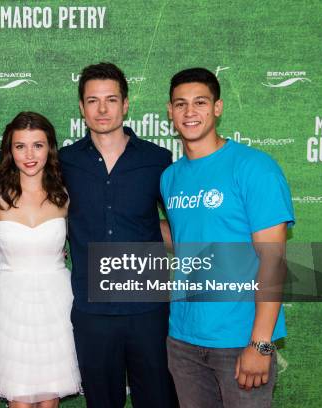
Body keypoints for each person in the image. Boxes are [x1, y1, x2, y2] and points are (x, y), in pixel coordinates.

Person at [161, 67, 294, 407]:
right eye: (181, 104)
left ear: (217, 108)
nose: (190, 112)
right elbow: (186, 238)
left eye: (200, 102)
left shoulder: (254, 168)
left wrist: (260, 344)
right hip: (183, 341)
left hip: (240, 341)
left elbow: (273, 259)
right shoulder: (170, 178)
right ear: (170, 112)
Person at [58, 62, 178, 407]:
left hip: (148, 307)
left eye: (111, 99)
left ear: (126, 104)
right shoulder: (64, 161)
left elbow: (179, 223)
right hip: (91, 307)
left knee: (158, 399)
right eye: (93, 100)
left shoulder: (158, 159)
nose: (102, 108)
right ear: (81, 107)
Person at [0, 112, 81, 407]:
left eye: (37, 145)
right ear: (9, 150)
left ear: (49, 148)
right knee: (19, 400)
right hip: (12, 306)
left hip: (56, 304)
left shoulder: (65, 195)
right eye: (20, 146)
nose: (29, 155)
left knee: (49, 399)